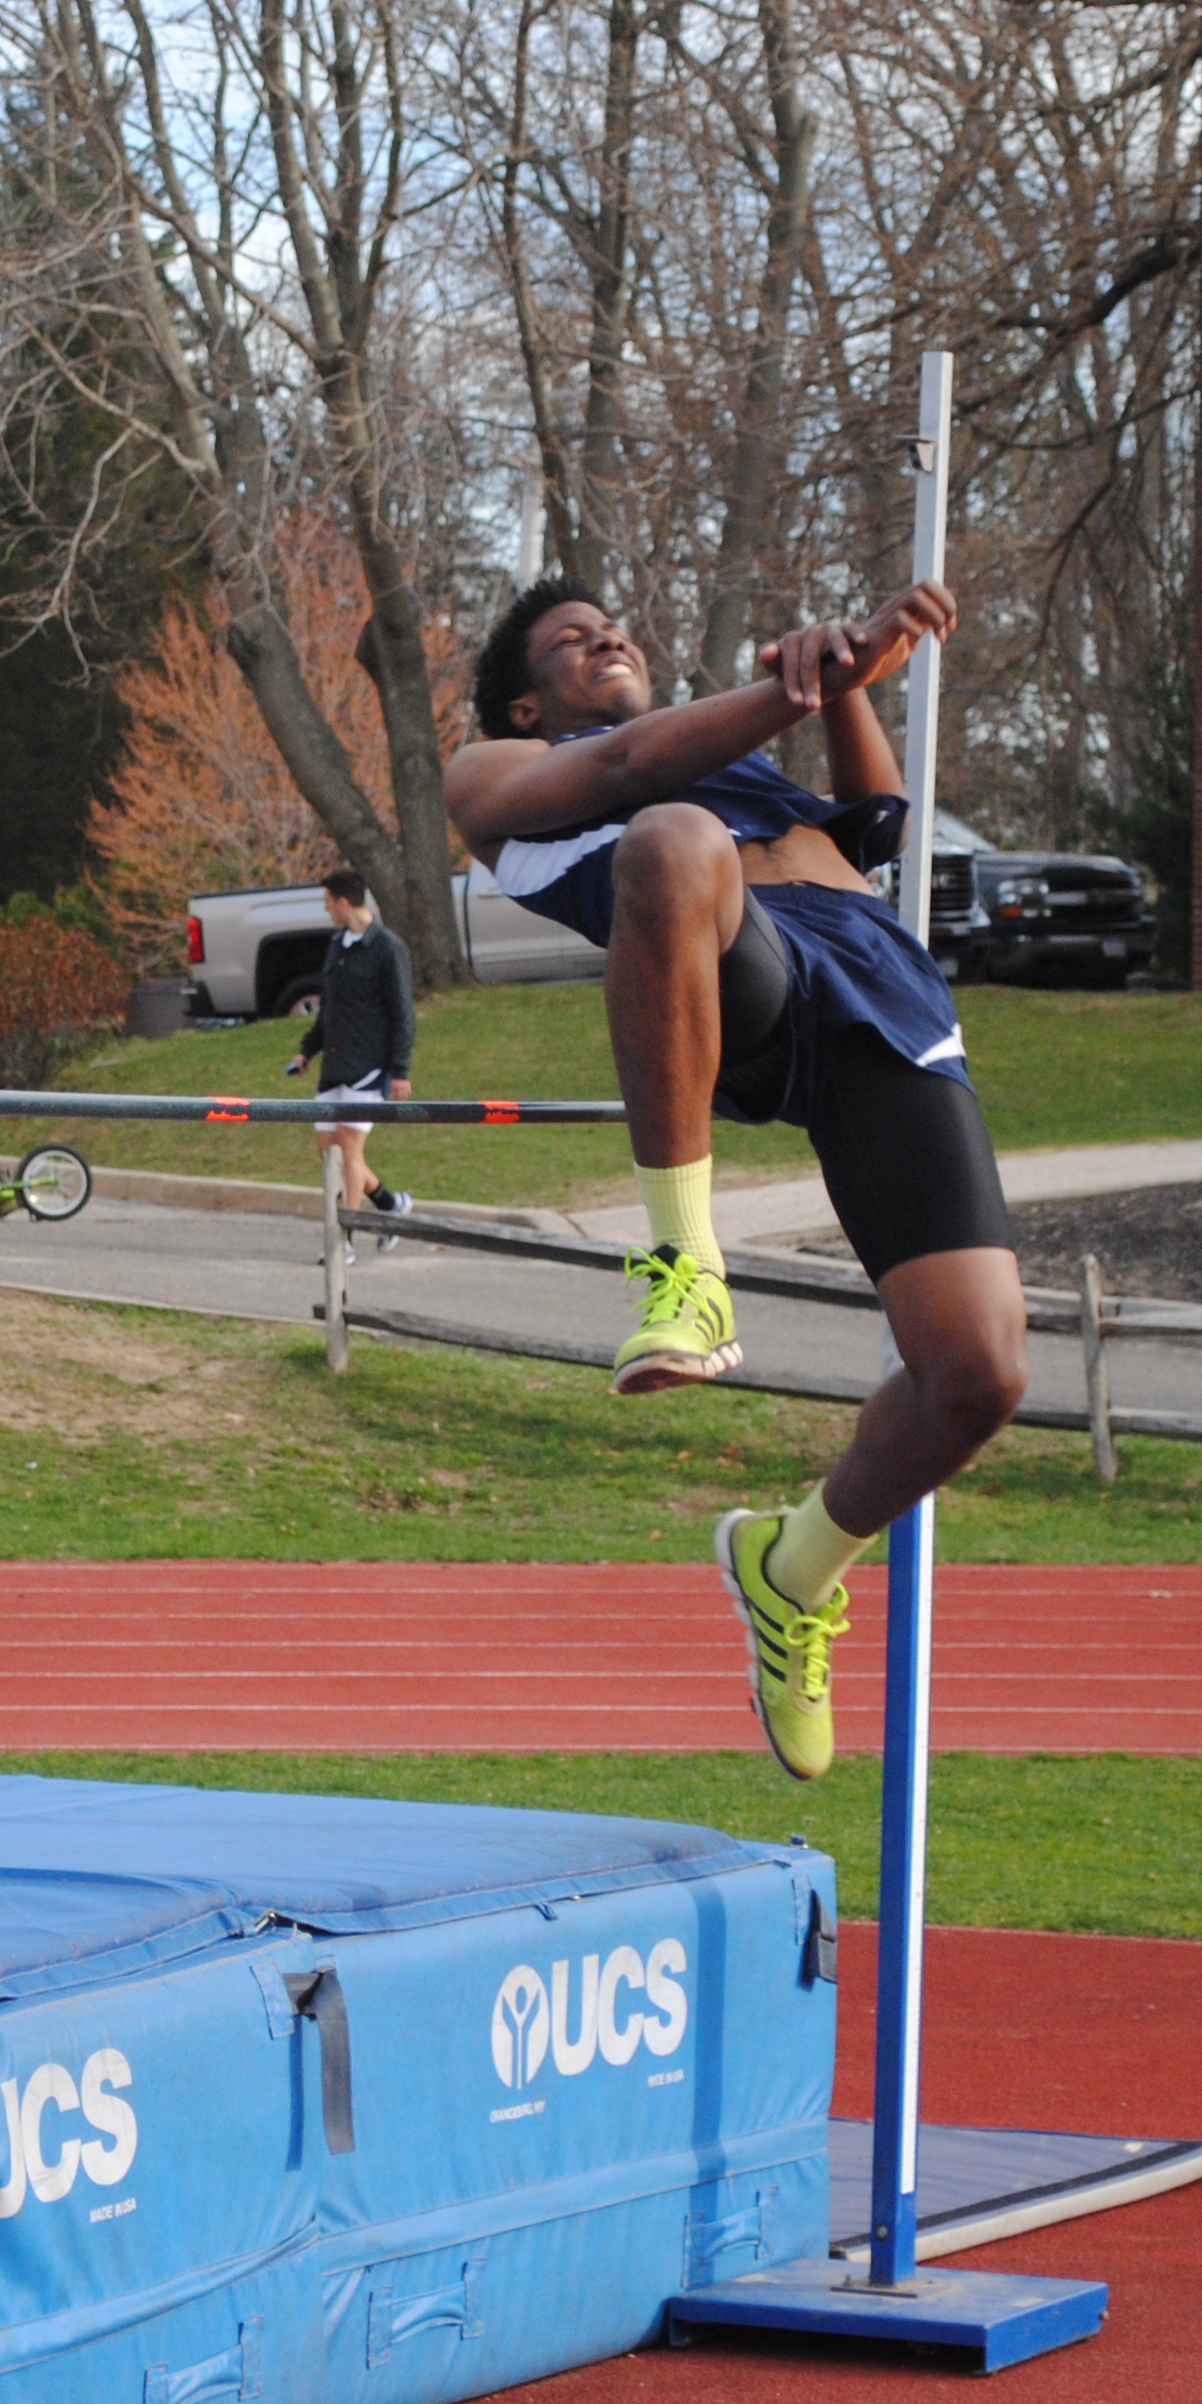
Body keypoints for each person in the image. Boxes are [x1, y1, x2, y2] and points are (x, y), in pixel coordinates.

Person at [441, 574, 1018, 1784]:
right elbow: (622, 773)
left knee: (975, 1376)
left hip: (876, 990)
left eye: (613, 629)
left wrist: (846, 687)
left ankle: (791, 1567)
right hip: (736, 964)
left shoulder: (749, 764)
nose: (606, 638)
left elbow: (879, 819)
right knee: (670, 833)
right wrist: (790, 680)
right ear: (523, 706)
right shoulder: (490, 776)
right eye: (569, 643)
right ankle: (683, 1265)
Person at [282, 870, 417, 1250]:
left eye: (327, 902)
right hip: (336, 1065)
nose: (326, 910)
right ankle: (391, 1205)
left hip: (369, 1066)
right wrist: (307, 1050)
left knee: (350, 1151)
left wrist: (400, 1069)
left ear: (343, 902)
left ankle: (345, 1241)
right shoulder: (337, 945)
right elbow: (330, 1008)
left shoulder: (387, 948)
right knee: (330, 1154)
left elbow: (402, 1012)